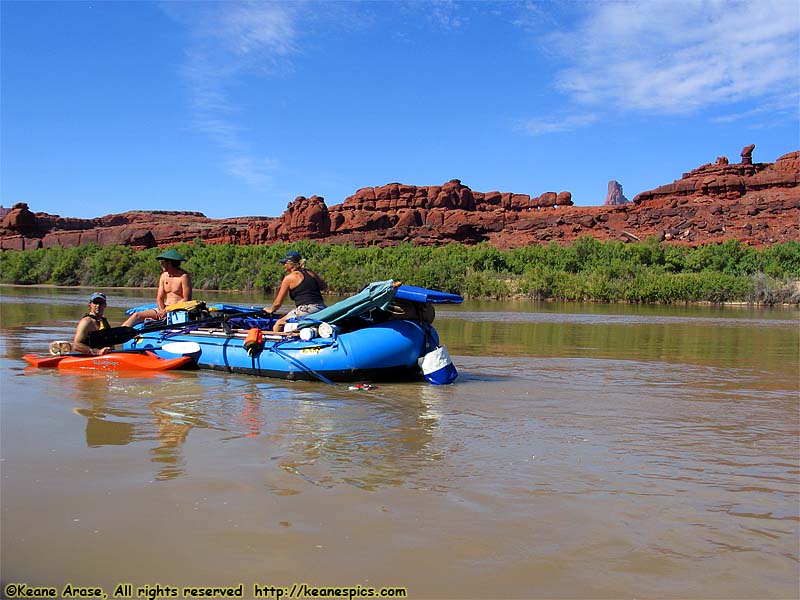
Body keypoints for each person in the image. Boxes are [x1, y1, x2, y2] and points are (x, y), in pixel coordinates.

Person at [123, 248, 192, 327]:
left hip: (177, 310)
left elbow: (186, 299)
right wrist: (162, 310)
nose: (161, 264)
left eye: (163, 262)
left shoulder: (184, 276)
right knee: (136, 315)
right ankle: (117, 334)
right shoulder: (163, 276)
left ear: (169, 262)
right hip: (163, 309)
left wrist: (168, 310)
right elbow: (159, 298)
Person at [264, 250, 327, 332]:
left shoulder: (289, 278)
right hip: (322, 307)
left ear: (291, 264)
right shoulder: (311, 273)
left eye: (285, 263)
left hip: (306, 309)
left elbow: (277, 303)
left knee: (279, 323)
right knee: (285, 316)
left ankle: (276, 343)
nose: (284, 266)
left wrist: (271, 310)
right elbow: (324, 286)